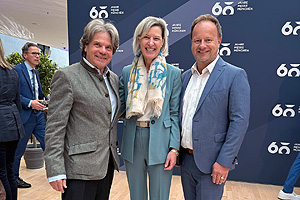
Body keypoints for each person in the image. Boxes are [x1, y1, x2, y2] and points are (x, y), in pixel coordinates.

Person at [44, 19, 120, 200]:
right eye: (97, 45)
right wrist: (55, 169)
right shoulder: (67, 76)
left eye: (108, 47)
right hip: (78, 171)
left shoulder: (114, 79)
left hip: (106, 166)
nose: (103, 51)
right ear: (85, 46)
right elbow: (55, 127)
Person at [179, 14, 250, 200]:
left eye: (208, 40)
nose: (202, 45)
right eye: (197, 40)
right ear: (191, 43)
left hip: (213, 165)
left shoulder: (235, 75)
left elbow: (239, 122)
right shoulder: (185, 77)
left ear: (219, 41)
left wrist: (224, 162)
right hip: (186, 162)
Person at [119, 16, 181, 200]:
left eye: (156, 38)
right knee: (136, 195)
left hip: (161, 141)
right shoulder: (126, 72)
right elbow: (120, 107)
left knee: (160, 195)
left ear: (163, 42)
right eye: (146, 37)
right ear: (139, 39)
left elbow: (175, 113)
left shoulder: (173, 73)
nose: (151, 42)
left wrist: (174, 148)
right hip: (133, 139)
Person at [13, 42, 47, 188]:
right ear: (25, 55)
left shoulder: (35, 72)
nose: (38, 56)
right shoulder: (16, 70)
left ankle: (59, 173)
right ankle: (14, 178)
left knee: (49, 143)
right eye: (34, 53)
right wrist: (29, 103)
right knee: (18, 150)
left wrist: (42, 101)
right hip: (24, 116)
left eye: (39, 53)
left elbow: (37, 93)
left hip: (38, 116)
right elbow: (13, 94)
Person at [0, 38, 25, 200]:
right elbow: (18, 103)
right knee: (9, 170)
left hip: (2, 129)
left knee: (2, 172)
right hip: (14, 126)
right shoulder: (12, 71)